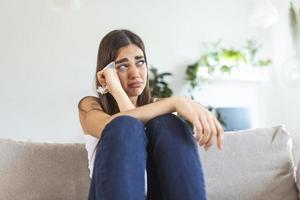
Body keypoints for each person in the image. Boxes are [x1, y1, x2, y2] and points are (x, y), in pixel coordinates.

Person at [78, 29, 224, 200]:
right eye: (123, 66)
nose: (135, 73)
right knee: (125, 125)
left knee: (167, 122)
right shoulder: (90, 105)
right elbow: (116, 126)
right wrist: (117, 91)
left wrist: (178, 104)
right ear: (106, 73)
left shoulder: (160, 108)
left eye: (140, 62)